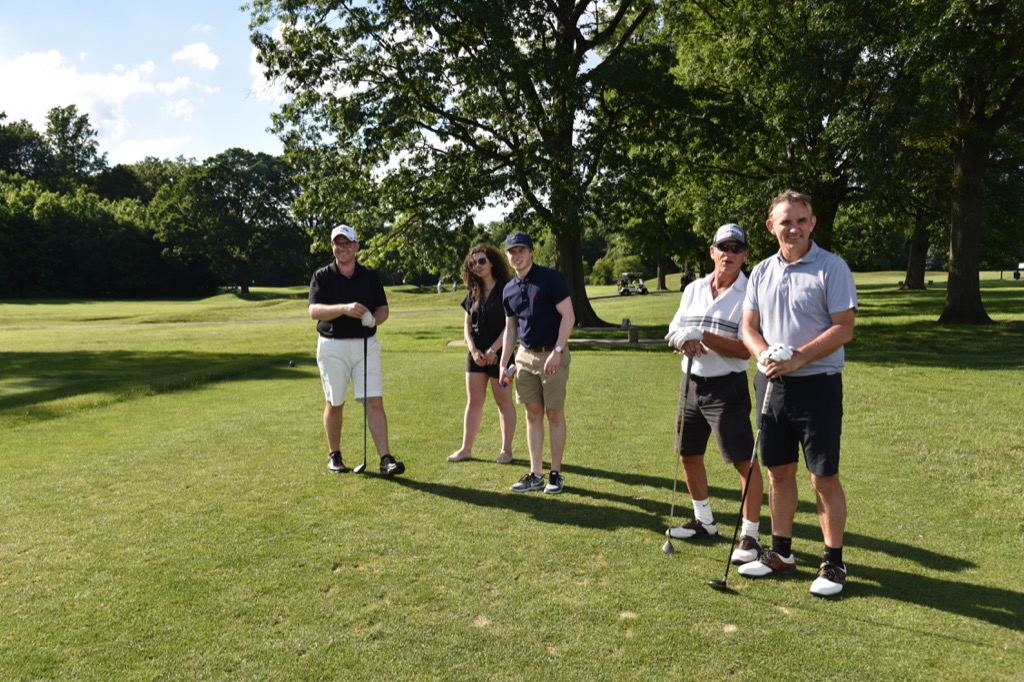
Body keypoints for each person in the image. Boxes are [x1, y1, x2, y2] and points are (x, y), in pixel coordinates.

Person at [738, 190, 857, 597]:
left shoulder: (832, 267)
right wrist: (764, 354)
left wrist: (798, 358)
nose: (794, 228)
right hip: (772, 384)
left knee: (823, 476)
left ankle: (833, 562)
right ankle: (781, 552)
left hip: (818, 385)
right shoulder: (760, 272)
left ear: (813, 223)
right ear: (771, 226)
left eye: (801, 220)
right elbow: (748, 327)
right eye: (785, 221)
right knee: (778, 472)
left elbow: (844, 327)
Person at [665, 224, 764, 565]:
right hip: (691, 383)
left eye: (737, 248)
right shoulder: (694, 288)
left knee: (743, 462)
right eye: (723, 247)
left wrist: (702, 335)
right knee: (688, 454)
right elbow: (675, 328)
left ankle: (750, 535)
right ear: (712, 251)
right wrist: (683, 340)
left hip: (726, 387)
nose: (729, 253)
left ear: (745, 255)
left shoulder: (750, 294)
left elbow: (744, 349)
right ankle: (704, 521)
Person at [308, 224, 405, 477]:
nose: (342, 248)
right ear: (332, 247)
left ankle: (385, 459)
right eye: (337, 243)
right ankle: (334, 455)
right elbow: (314, 311)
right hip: (332, 346)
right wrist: (344, 308)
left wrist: (373, 320)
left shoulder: (369, 276)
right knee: (335, 402)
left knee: (374, 400)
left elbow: (383, 309)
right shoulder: (322, 276)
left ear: (356, 246)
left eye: (347, 243)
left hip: (365, 344)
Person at [498, 231, 575, 494]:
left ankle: (555, 474)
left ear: (531, 252)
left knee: (554, 413)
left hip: (552, 353)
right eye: (512, 251)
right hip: (525, 356)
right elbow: (511, 329)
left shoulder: (550, 279)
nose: (517, 255)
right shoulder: (508, 289)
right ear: (507, 256)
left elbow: (568, 316)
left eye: (521, 250)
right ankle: (536, 474)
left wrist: (558, 350)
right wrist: (504, 361)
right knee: (532, 414)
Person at [448, 244, 518, 463]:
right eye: (473, 263)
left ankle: (506, 450)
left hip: (501, 354)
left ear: (492, 262)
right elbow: (467, 325)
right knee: (473, 402)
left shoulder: (507, 289)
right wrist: (473, 349)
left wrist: (493, 351)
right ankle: (466, 449)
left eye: (481, 261)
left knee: (503, 402)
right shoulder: (473, 291)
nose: (477, 266)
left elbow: (510, 327)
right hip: (476, 355)